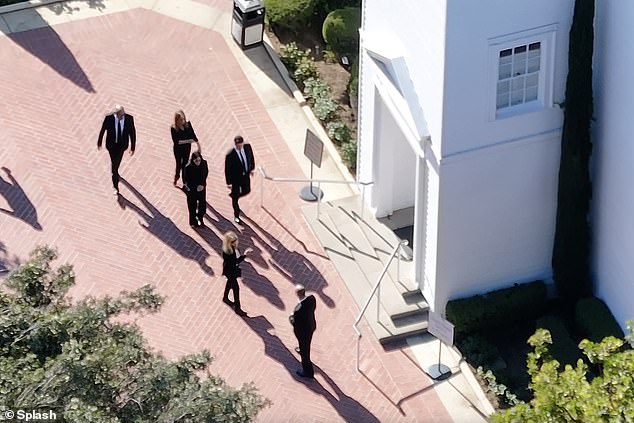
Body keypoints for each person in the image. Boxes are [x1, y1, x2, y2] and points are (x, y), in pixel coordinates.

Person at [97, 105, 136, 195]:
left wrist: (133, 146)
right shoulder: (109, 118)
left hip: (121, 146)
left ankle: (115, 180)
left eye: (123, 114)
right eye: (120, 115)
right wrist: (99, 142)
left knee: (115, 164)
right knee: (114, 163)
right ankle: (115, 179)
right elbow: (103, 130)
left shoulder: (129, 119)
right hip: (111, 145)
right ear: (116, 114)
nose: (122, 116)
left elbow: (132, 133)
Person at [224, 135, 255, 224]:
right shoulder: (230, 154)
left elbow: (251, 158)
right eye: (238, 145)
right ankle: (236, 215)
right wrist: (229, 183)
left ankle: (234, 196)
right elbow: (227, 169)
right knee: (235, 197)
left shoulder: (247, 147)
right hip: (235, 179)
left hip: (245, 175)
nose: (239, 146)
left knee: (247, 190)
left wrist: (252, 168)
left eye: (240, 144)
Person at [221, 231, 252, 317]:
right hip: (230, 272)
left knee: (229, 283)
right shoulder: (229, 252)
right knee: (236, 289)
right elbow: (235, 262)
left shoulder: (229, 248)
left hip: (229, 270)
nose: (236, 242)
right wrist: (245, 256)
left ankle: (225, 298)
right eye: (234, 241)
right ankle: (237, 309)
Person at [289, 284, 317, 379]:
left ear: (297, 294)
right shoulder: (311, 298)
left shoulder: (298, 308)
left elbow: (294, 322)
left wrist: (291, 317)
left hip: (303, 331)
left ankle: (308, 372)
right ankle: (301, 349)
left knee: (305, 352)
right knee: (305, 344)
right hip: (311, 326)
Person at [170, 110, 199, 186]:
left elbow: (193, 136)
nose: (182, 121)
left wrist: (198, 145)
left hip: (186, 149)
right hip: (178, 150)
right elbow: (176, 141)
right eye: (180, 120)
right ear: (177, 120)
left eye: (183, 119)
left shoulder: (188, 125)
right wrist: (188, 141)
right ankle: (177, 176)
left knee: (185, 165)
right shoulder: (173, 128)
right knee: (179, 164)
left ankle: (184, 182)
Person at [183, 151, 208, 228]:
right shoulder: (188, 167)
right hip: (192, 190)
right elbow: (185, 180)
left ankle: (200, 217)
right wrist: (195, 187)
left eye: (199, 160)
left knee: (202, 205)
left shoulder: (204, 163)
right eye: (196, 161)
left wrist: (202, 185)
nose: (198, 162)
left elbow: (205, 174)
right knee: (192, 206)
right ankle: (193, 222)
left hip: (201, 188)